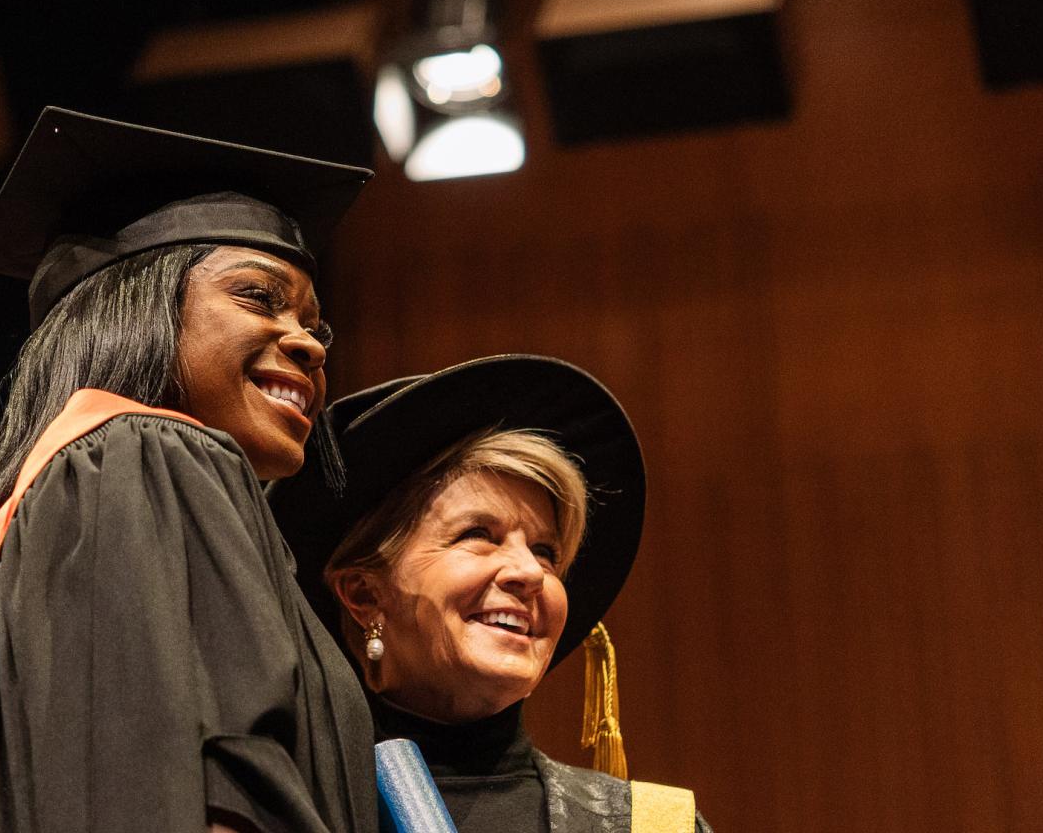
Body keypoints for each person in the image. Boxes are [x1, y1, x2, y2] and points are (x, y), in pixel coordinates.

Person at [0, 108, 375, 833]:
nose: (307, 343)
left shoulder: (77, 497)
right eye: (258, 297)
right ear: (136, 309)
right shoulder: (146, 456)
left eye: (315, 324)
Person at [268, 354, 711, 833]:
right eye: (478, 534)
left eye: (545, 551)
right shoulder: (278, 815)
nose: (530, 572)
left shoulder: (651, 826)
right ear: (363, 594)